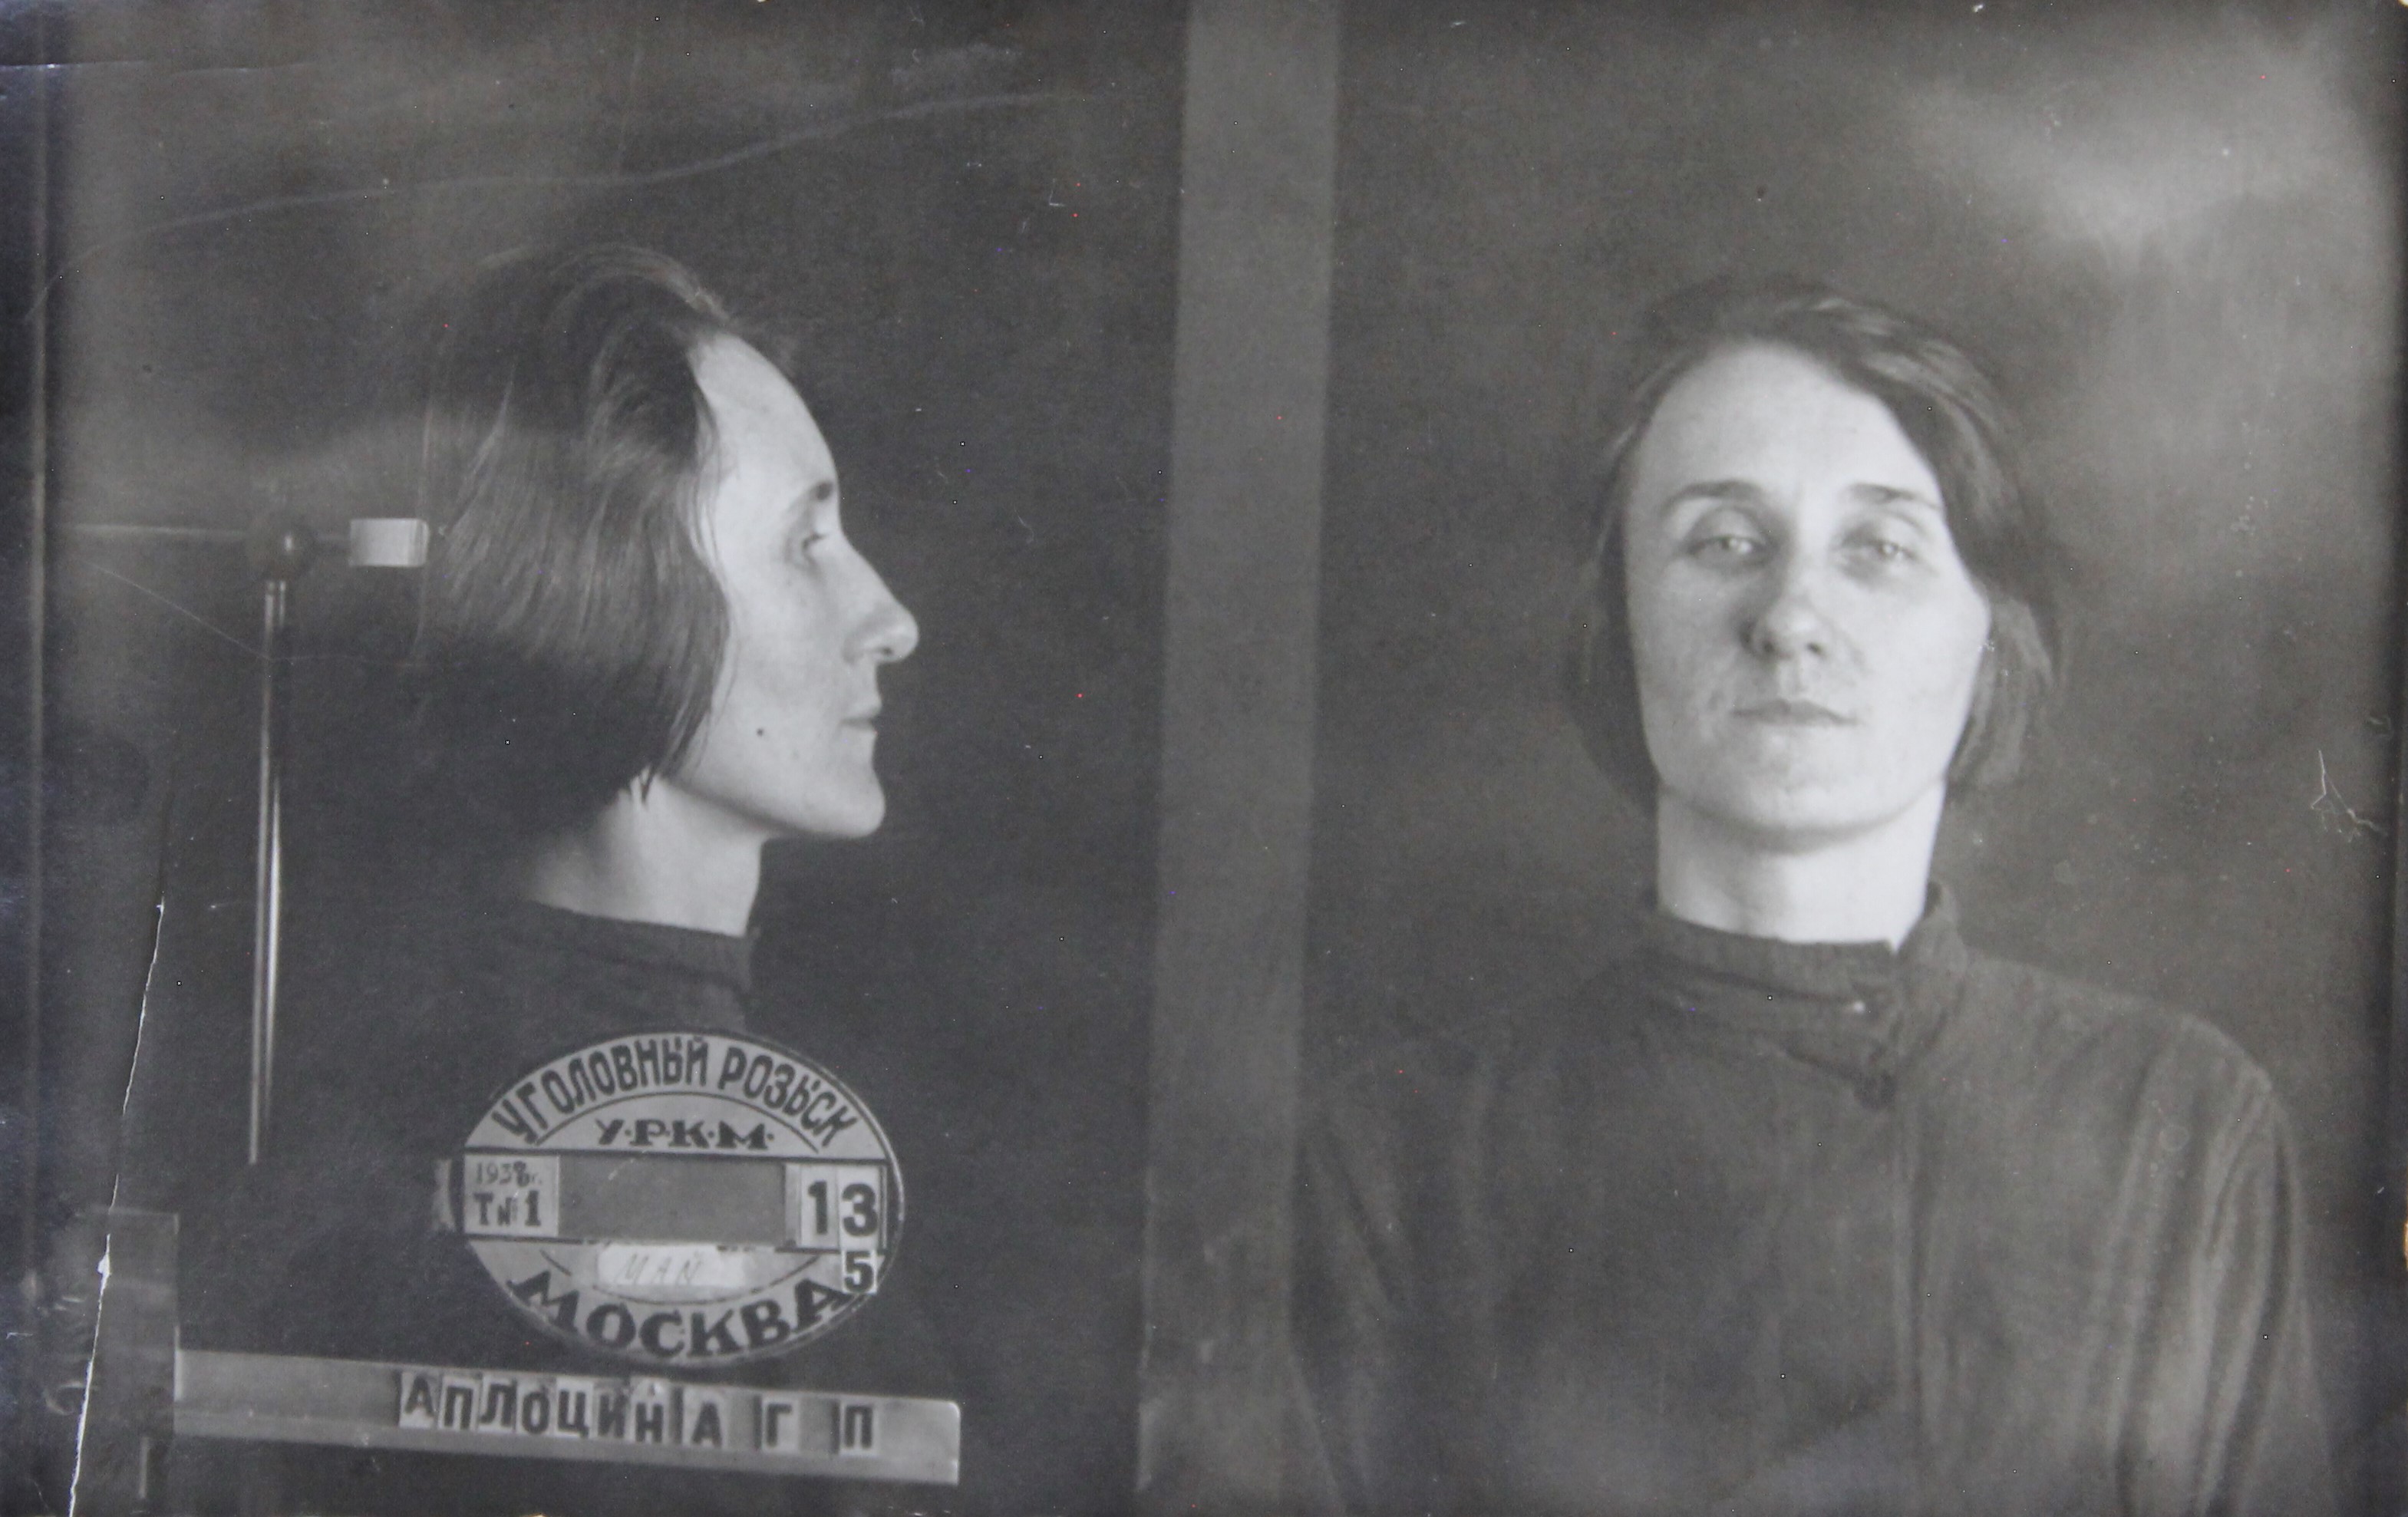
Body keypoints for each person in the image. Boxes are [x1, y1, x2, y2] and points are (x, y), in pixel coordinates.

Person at [1295, 277, 2334, 1515]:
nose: (1789, 617)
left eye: (1878, 549)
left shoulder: (2177, 1126)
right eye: (1723, 542)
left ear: (1988, 634)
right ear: (1617, 617)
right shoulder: (1402, 1159)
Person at [180, 246, 962, 1515]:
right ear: (614, 596)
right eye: (804, 542)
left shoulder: (428, 1096)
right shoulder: (640, 1176)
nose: (889, 617)